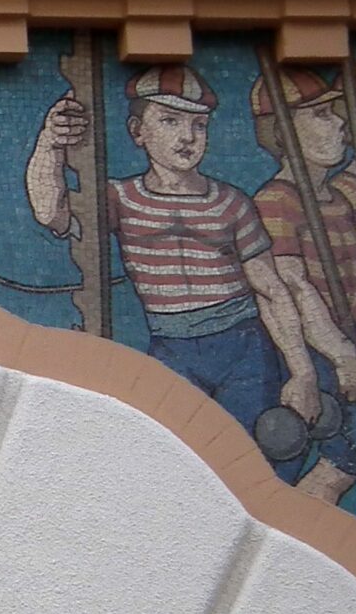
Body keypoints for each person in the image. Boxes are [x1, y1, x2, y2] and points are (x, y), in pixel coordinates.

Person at [24, 63, 317, 458]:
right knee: (175, 457)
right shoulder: (119, 199)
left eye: (199, 125)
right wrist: (50, 143)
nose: (187, 136)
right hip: (172, 348)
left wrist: (303, 372)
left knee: (249, 455)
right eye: (169, 120)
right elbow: (50, 212)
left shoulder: (231, 203)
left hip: (243, 347)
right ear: (138, 131)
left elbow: (270, 289)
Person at [241, 65, 356, 502]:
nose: (339, 123)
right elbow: (295, 288)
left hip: (348, 347)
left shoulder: (336, 201)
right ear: (283, 132)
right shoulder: (276, 199)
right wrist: (344, 358)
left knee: (340, 471)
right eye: (321, 115)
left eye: (336, 113)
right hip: (316, 355)